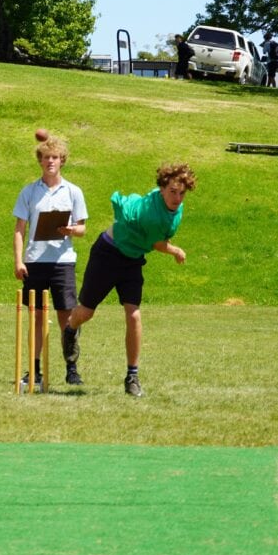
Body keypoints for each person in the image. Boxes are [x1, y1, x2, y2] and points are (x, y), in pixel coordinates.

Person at [61, 164, 197, 398]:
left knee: (133, 314)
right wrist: (176, 251)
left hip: (132, 259)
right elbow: (158, 243)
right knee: (86, 312)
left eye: (181, 193)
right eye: (172, 191)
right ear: (162, 189)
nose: (177, 198)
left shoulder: (174, 206)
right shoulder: (151, 215)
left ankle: (132, 376)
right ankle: (70, 328)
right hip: (108, 253)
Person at [12, 134, 88, 388]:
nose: (50, 162)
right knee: (36, 317)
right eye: (46, 158)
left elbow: (82, 229)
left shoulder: (73, 191)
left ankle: (72, 367)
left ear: (62, 160)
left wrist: (69, 230)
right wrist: (18, 261)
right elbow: (20, 228)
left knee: (67, 318)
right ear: (40, 161)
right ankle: (33, 370)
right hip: (34, 262)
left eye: (54, 157)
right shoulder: (29, 191)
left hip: (62, 261)